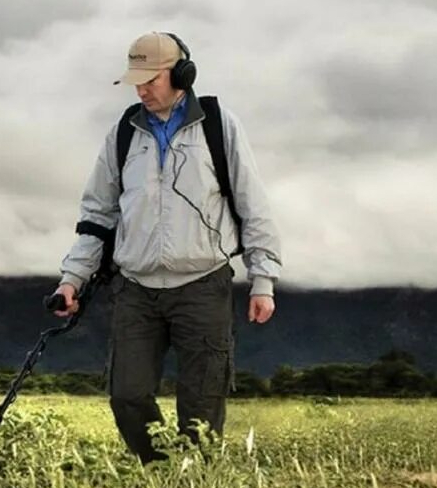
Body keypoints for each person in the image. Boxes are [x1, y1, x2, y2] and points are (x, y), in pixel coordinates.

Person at [53, 31, 282, 463]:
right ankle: (161, 476)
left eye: (150, 80)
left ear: (181, 74)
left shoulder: (218, 125)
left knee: (200, 408)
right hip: (135, 289)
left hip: (202, 285)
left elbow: (254, 203)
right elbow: (97, 215)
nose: (141, 89)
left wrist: (263, 279)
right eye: (135, 80)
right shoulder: (124, 133)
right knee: (127, 396)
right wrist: (72, 279)